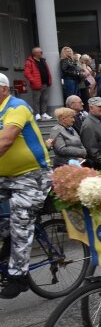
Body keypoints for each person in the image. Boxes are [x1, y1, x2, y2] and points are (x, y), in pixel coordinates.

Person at [0, 73, 52, 298]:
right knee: (8, 225)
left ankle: (18, 276)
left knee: (20, 220)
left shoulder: (17, 106)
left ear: (3, 89)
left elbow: (6, 140)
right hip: (5, 176)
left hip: (32, 176)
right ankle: (8, 241)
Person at [23, 47, 53, 121]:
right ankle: (37, 114)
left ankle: (43, 113)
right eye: (40, 52)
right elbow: (27, 73)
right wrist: (33, 81)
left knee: (44, 99)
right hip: (37, 85)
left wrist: (49, 79)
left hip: (45, 83)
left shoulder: (43, 61)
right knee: (36, 100)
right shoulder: (30, 62)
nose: (42, 53)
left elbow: (47, 70)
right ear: (35, 53)